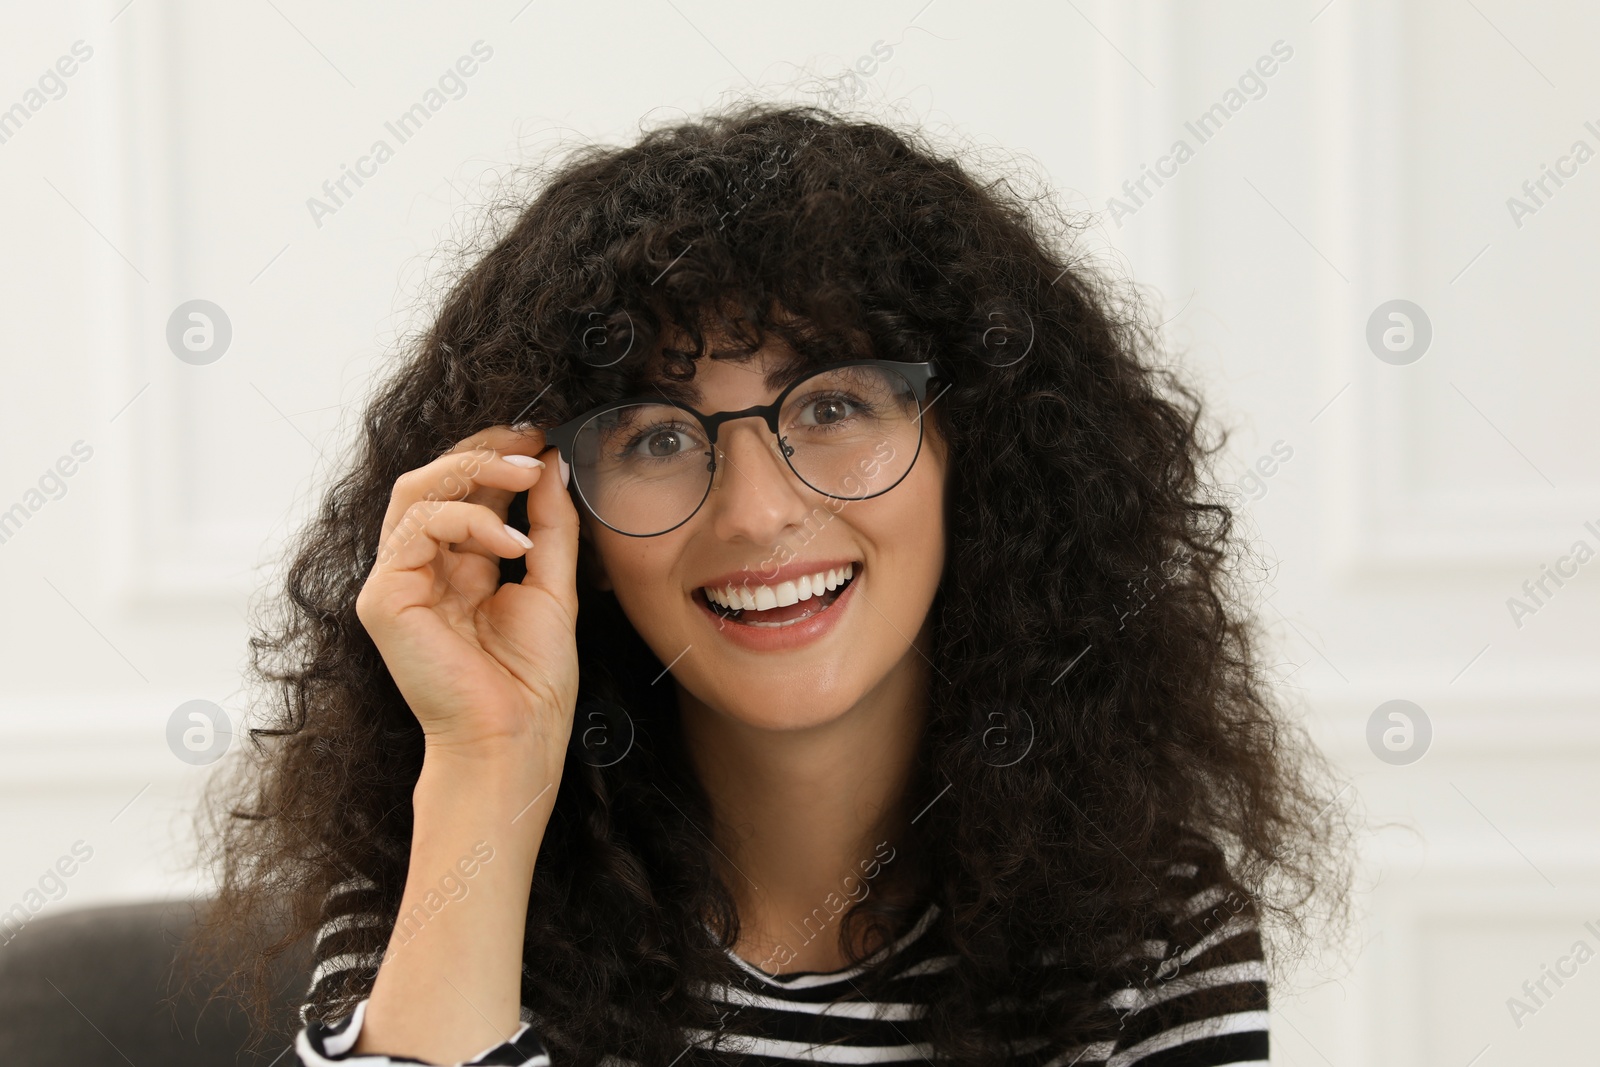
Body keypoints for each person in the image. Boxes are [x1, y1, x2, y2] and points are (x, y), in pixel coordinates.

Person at [195, 103, 1347, 1066]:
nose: (754, 510)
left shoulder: (1147, 929)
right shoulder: (444, 879)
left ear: (981, 453)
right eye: (653, 434)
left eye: (835, 406)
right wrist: (488, 764)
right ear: (554, 513)